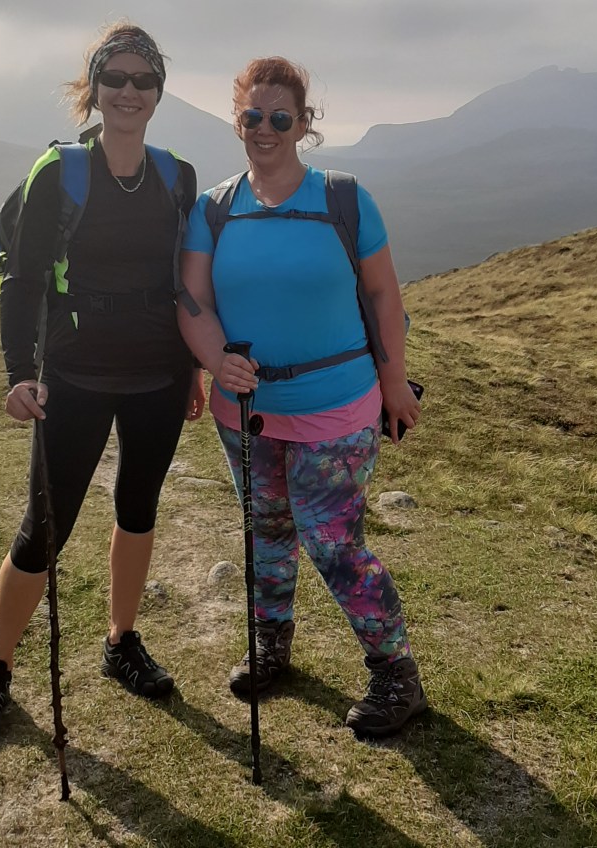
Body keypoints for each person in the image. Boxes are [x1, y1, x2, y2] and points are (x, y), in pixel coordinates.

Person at [0, 22, 206, 744]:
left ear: (158, 91)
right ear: (93, 88)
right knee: (45, 527)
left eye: (143, 80)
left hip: (159, 373)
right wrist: (19, 373)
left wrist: (194, 369)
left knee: (139, 507)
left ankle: (120, 641)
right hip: (75, 372)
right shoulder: (60, 173)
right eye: (115, 78)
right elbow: (23, 278)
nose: (129, 91)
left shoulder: (177, 177)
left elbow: (186, 282)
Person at [177, 56, 426, 738]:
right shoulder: (214, 209)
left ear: (302, 122)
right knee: (267, 531)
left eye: (280, 117)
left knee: (334, 544)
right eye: (252, 116)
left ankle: (396, 675)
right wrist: (215, 360)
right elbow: (192, 300)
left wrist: (395, 382)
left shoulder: (344, 199)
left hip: (338, 406)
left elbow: (383, 293)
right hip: (247, 414)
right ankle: (272, 645)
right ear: (237, 121)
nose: (265, 128)